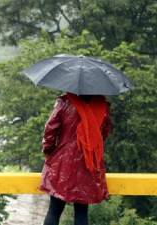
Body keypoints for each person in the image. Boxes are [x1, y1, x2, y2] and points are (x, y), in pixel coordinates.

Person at [41, 92, 112, 225]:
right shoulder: (102, 106)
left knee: (54, 211)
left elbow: (50, 130)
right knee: (81, 212)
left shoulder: (65, 102)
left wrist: (48, 151)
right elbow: (103, 133)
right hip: (89, 163)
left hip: (63, 163)